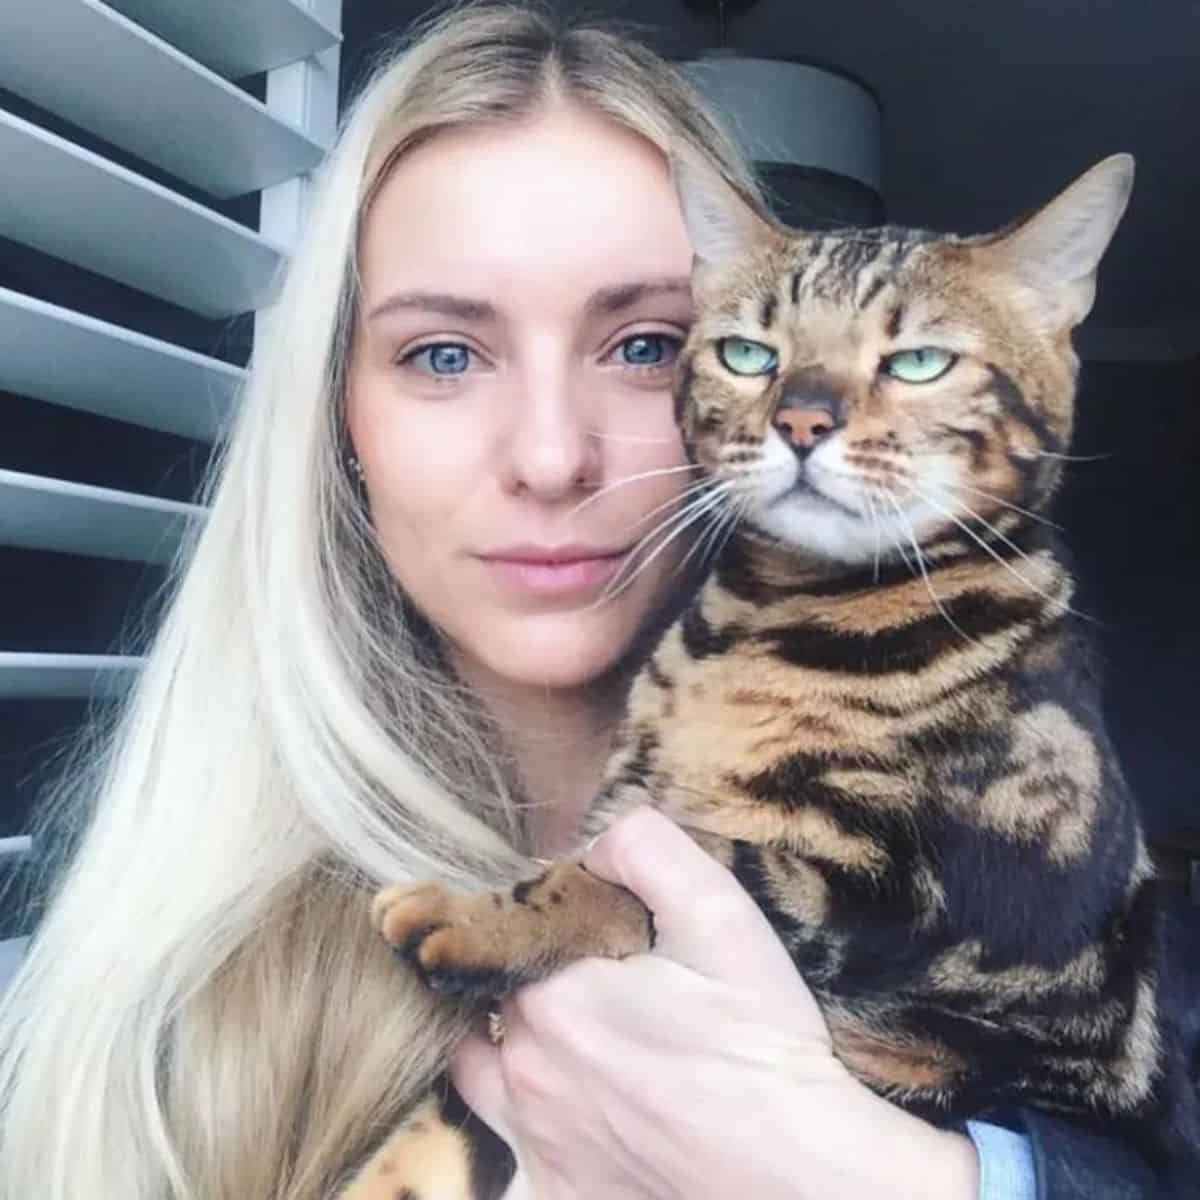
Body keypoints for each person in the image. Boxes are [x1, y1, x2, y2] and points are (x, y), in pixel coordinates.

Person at [0, 4, 1190, 1198]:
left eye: (643, 345)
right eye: (446, 355)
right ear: (338, 420)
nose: (554, 458)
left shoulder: (1032, 796)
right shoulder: (111, 895)